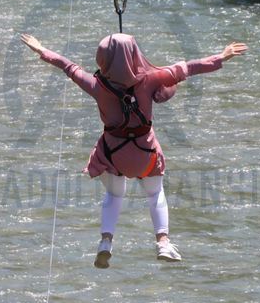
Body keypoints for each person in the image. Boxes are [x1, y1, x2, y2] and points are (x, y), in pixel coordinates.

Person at [20, 32, 247, 268]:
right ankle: (163, 242)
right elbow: (190, 68)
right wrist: (222, 56)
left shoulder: (96, 85)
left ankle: (105, 242)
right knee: (155, 193)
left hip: (112, 155)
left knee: (114, 195)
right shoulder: (151, 79)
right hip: (144, 154)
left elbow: (68, 66)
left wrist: (41, 49)